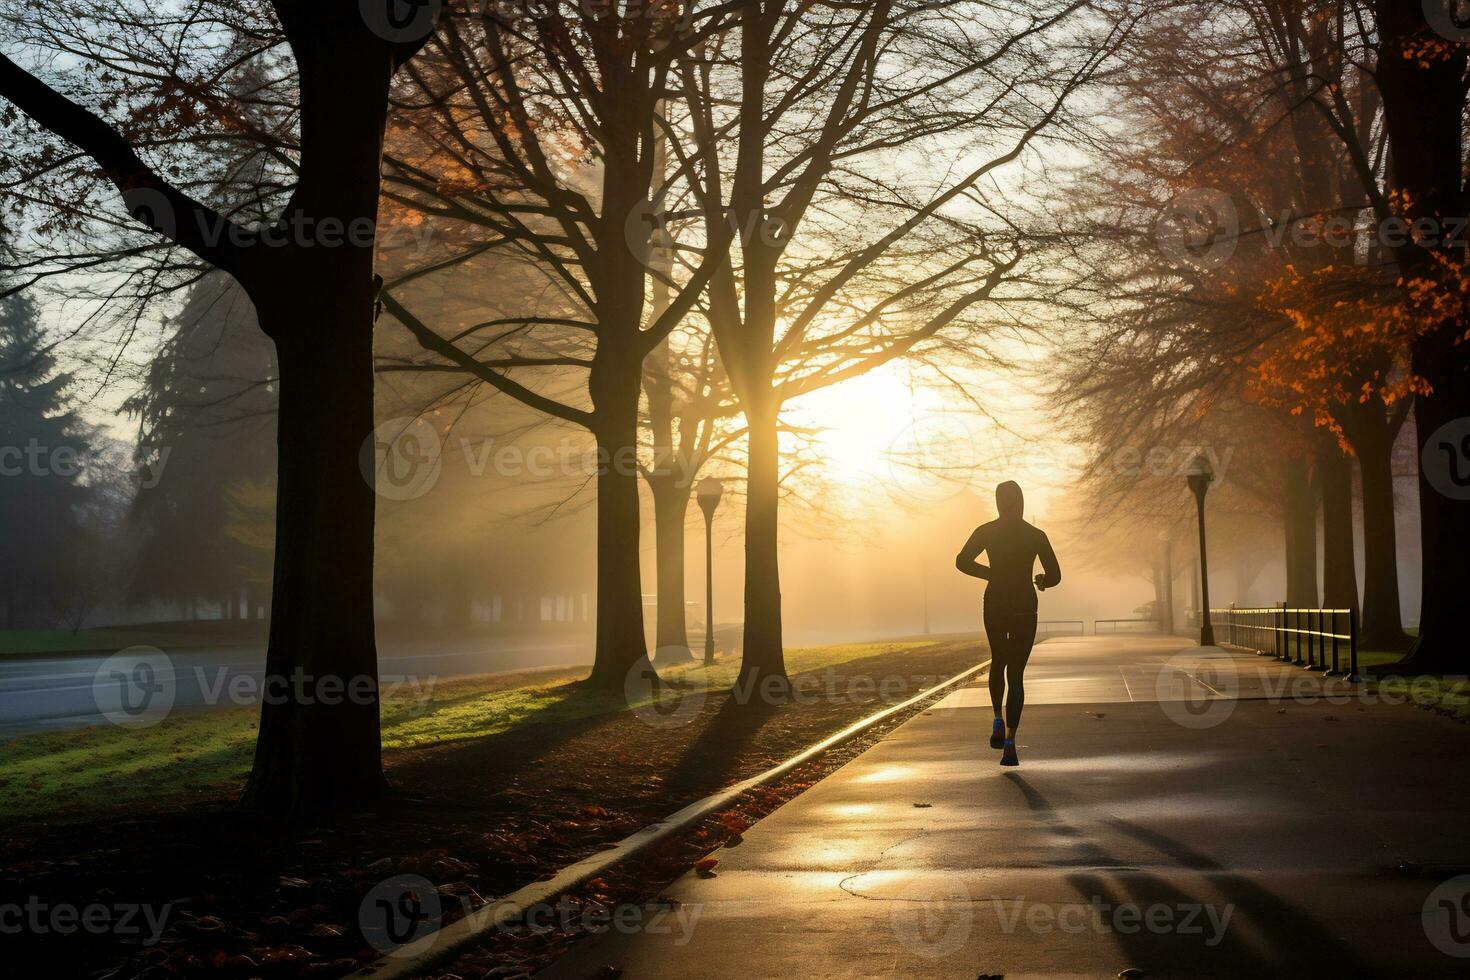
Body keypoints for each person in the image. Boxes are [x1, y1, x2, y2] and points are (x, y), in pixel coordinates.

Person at [955, 480, 1061, 766]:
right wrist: (1042, 580)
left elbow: (962, 561)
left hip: (996, 603)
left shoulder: (986, 531)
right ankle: (1011, 743)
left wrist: (990, 574)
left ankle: (997, 719)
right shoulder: (1035, 535)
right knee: (1016, 674)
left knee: (998, 661)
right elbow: (1055, 574)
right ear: (1022, 501)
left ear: (999, 502)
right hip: (1025, 606)